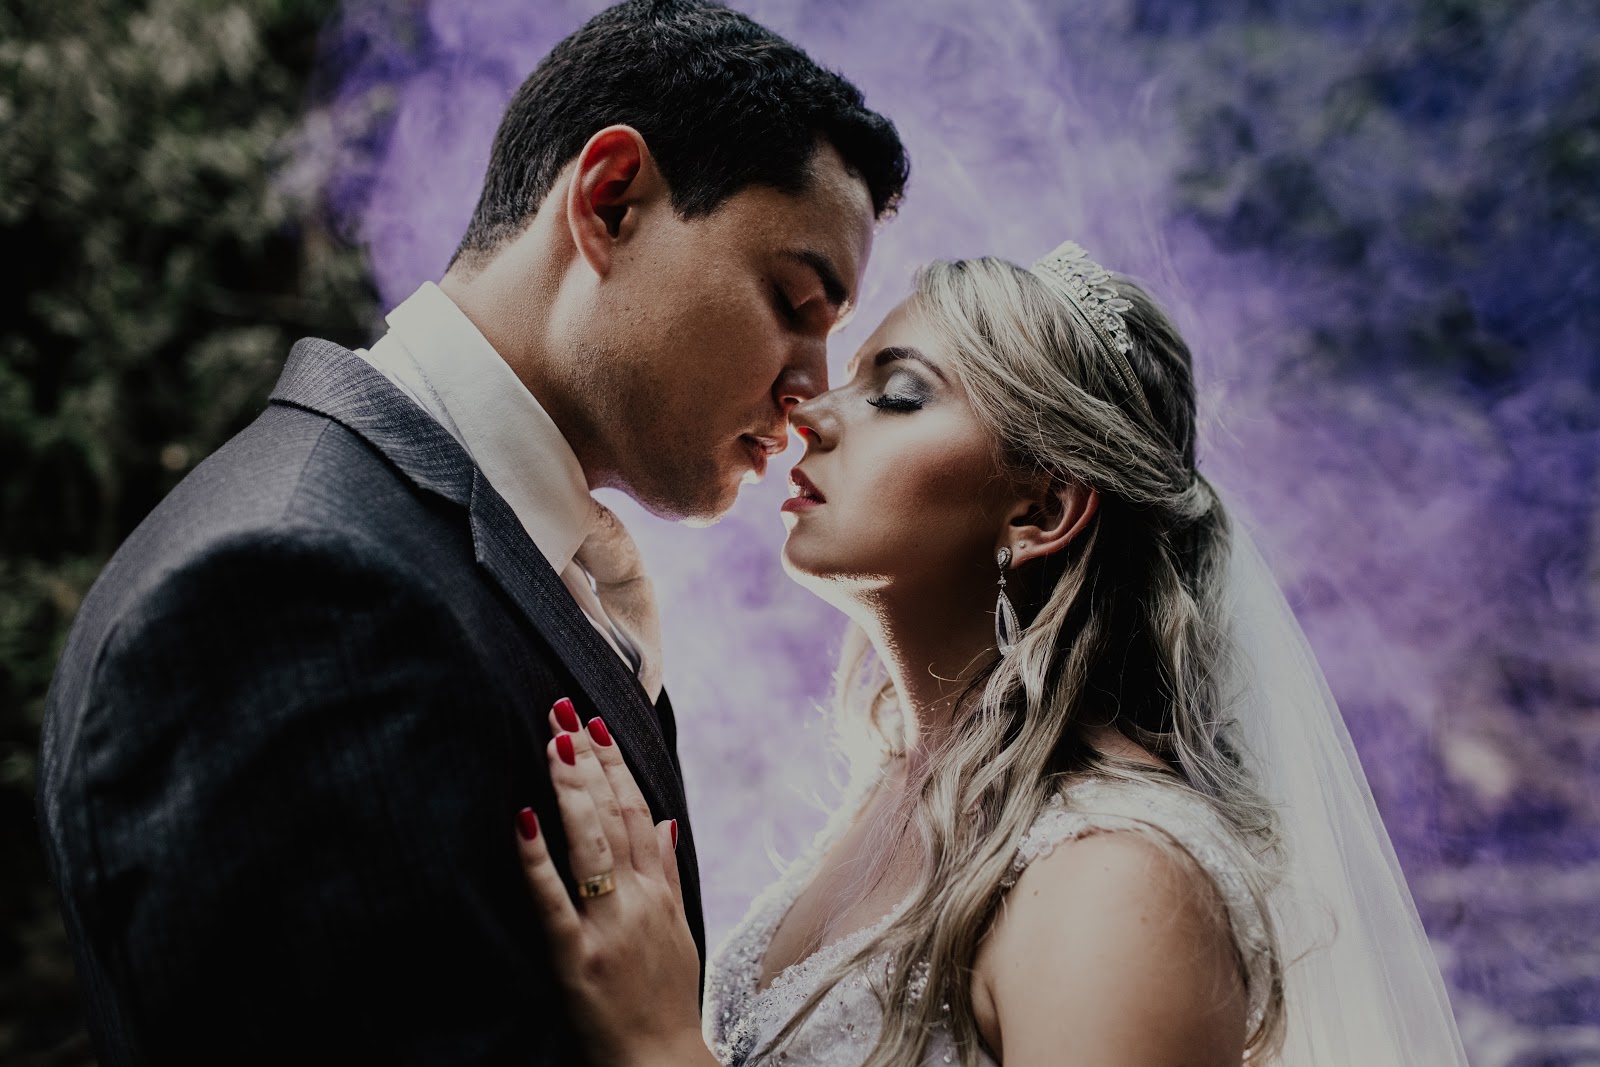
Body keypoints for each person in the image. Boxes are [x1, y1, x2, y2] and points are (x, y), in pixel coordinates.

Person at [34, 2, 907, 1063]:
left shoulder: (455, 552)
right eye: (794, 300)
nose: (812, 390)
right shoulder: (292, 592)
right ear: (610, 199)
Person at [514, 244, 1473, 1065]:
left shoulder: (1115, 879)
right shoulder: (904, 788)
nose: (813, 413)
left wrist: (661, 1046)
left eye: (897, 394)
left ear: (1041, 509)